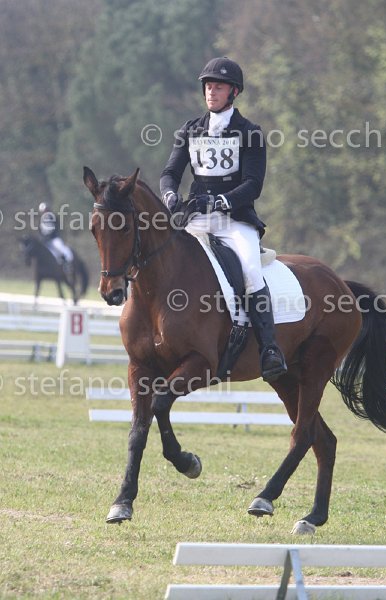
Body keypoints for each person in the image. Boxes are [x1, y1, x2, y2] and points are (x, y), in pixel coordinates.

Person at [159, 56, 287, 383]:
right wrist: (171, 198)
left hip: (235, 221)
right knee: (164, 259)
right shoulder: (190, 130)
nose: (211, 92)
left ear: (234, 92)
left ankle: (269, 349)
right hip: (195, 220)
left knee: (250, 269)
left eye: (218, 87)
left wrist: (219, 201)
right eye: (208, 86)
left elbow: (253, 185)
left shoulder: (250, 133)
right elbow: (170, 173)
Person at [38, 202, 74, 272]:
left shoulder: (53, 217)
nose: (44, 212)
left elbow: (55, 228)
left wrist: (48, 236)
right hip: (45, 241)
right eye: (43, 211)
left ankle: (67, 265)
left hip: (54, 239)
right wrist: (41, 238)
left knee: (61, 248)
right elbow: (40, 230)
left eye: (45, 210)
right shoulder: (41, 220)